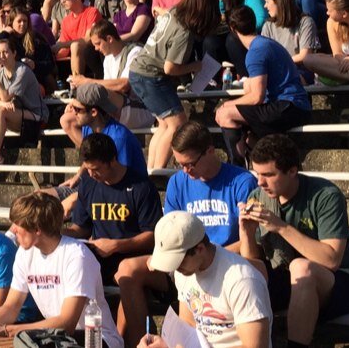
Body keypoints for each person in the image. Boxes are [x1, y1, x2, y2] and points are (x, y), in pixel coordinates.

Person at [115, 122, 258, 345]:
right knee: (127, 269)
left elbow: (249, 237)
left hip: (219, 261)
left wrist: (211, 254)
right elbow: (169, 227)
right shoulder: (178, 181)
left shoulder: (242, 182)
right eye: (178, 163)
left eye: (189, 163)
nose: (185, 171)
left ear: (210, 151)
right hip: (183, 260)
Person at [238, 134, 349, 348]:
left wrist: (280, 226)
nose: (260, 182)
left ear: (292, 171)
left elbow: (332, 259)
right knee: (240, 271)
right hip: (286, 277)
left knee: (301, 268)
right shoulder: (258, 195)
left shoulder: (325, 195)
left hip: (340, 282)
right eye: (257, 174)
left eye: (268, 175)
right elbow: (255, 265)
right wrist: (246, 233)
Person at [0, 192, 125, 348]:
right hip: (57, 337)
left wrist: (17, 330)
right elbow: (11, 308)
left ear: (37, 229)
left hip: (96, 339)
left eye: (18, 225)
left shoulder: (77, 256)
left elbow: (67, 323)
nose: (13, 230)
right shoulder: (24, 253)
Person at [139, 211, 272, 348]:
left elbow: (255, 346)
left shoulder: (241, 280)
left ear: (200, 249)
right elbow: (187, 326)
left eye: (178, 261)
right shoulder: (185, 271)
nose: (175, 268)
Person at [129, 0, 222, 170]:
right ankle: (159, 171)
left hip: (139, 71)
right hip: (151, 76)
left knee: (164, 124)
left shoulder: (173, 11)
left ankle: (152, 169)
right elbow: (170, 68)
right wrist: (196, 66)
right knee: (177, 124)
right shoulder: (185, 32)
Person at [215, 7, 313, 158]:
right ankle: (265, 158)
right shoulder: (265, 43)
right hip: (294, 104)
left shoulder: (255, 52)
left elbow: (257, 97)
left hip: (289, 106)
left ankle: (237, 168)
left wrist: (228, 104)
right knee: (248, 136)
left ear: (233, 29)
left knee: (224, 114)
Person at [66, 133, 162, 285]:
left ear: (112, 160)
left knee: (125, 273)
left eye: (96, 169)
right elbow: (81, 229)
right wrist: (55, 233)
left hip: (133, 258)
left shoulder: (141, 186)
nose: (91, 174)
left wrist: (117, 245)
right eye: (88, 168)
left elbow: (152, 237)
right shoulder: (88, 183)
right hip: (98, 258)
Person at [0, 35, 47, 165]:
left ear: (14, 53)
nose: (1, 56)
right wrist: (4, 103)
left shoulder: (22, 71)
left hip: (36, 115)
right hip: (16, 113)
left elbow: (5, 97)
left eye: (5, 52)